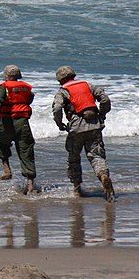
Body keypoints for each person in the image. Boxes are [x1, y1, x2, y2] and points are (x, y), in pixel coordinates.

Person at [53, 66, 114, 202]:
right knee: (97, 156)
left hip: (76, 126)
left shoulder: (63, 91)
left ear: (60, 79)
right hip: (95, 125)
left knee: (73, 158)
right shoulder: (87, 85)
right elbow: (105, 99)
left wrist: (59, 123)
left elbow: (57, 108)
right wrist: (102, 114)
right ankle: (103, 176)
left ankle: (77, 188)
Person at [0, 65, 37, 194]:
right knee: (26, 150)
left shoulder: (3, 87)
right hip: (23, 122)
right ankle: (30, 184)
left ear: (7, 75)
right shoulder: (26, 87)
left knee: (1, 144)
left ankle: (7, 169)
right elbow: (30, 99)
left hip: (7, 121)